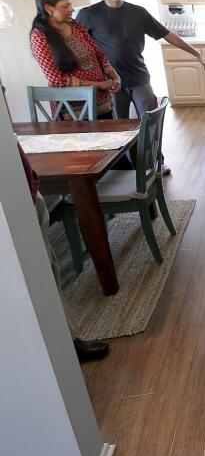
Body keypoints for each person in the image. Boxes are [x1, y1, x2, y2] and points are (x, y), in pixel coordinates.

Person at [76, 0, 205, 175]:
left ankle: (156, 164)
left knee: (150, 124)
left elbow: (167, 34)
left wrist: (195, 53)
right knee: (120, 129)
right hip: (111, 83)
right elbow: (78, 46)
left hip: (139, 78)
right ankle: (128, 170)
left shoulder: (138, 12)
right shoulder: (88, 15)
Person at [17, 143, 109, 362]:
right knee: (42, 277)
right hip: (20, 201)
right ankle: (63, 347)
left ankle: (64, 342)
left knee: (48, 271)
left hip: (27, 195)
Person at [30, 0, 120, 120]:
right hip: (73, 113)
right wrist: (98, 85)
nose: (71, 9)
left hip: (102, 103)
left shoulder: (75, 25)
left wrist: (115, 77)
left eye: (70, 4)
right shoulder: (39, 36)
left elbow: (99, 54)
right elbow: (57, 80)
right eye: (65, 6)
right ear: (49, 9)